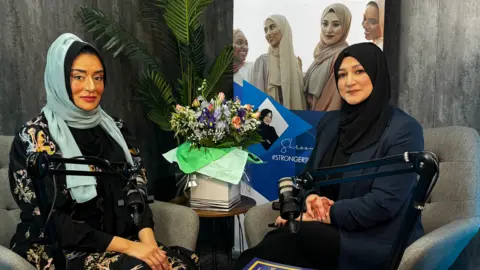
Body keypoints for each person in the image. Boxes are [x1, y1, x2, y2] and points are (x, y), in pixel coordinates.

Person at [8, 33, 199, 270]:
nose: (91, 87)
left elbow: (136, 192)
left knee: (182, 264)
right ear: (58, 79)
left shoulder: (115, 129)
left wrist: (151, 247)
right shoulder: (33, 138)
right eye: (79, 76)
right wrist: (130, 248)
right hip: (55, 247)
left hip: (116, 242)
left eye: (98, 77)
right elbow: (48, 220)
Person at [234, 43, 424, 270]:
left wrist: (324, 215)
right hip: (327, 230)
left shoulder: (404, 130)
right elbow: (308, 179)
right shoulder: (331, 123)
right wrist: (310, 200)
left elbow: (383, 204)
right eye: (342, 75)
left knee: (285, 242)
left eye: (359, 71)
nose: (349, 82)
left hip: (376, 239)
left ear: (377, 73)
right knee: (278, 245)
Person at [251, 14, 306, 110]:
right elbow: (257, 98)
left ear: (283, 29)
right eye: (266, 30)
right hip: (270, 119)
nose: (268, 33)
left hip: (294, 119)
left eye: (272, 27)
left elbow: (300, 97)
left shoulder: (295, 63)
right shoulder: (262, 62)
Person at [304, 3, 352, 111]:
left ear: (345, 27)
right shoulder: (320, 56)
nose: (328, 30)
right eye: (324, 24)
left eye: (335, 25)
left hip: (320, 120)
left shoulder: (341, 58)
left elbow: (333, 102)